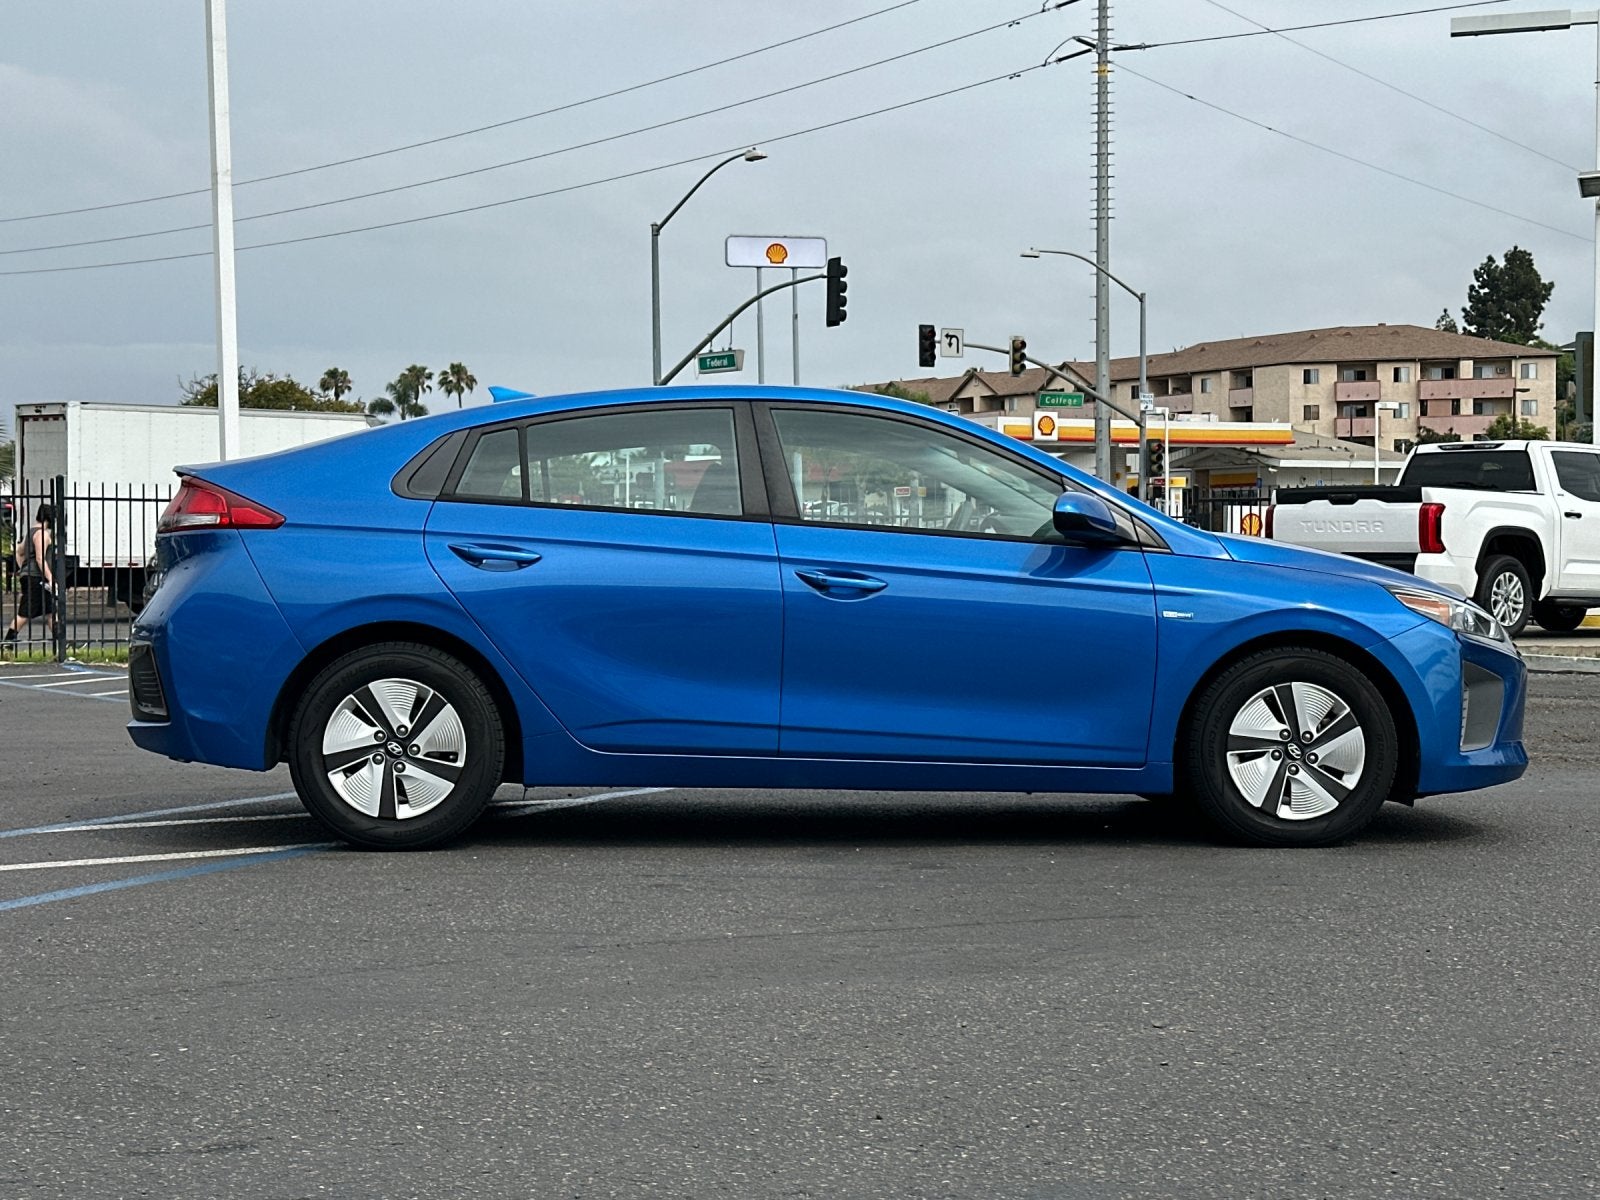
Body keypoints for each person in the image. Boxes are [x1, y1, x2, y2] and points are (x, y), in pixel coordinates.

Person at [6, 504, 58, 645]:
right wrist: (50, 578)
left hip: (32, 576)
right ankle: (7, 643)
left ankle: (61, 642)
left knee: (50, 611)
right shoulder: (42, 534)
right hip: (36, 578)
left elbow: (19, 551)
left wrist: (23, 567)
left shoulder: (32, 531)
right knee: (25, 612)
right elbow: (40, 559)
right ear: (50, 517)